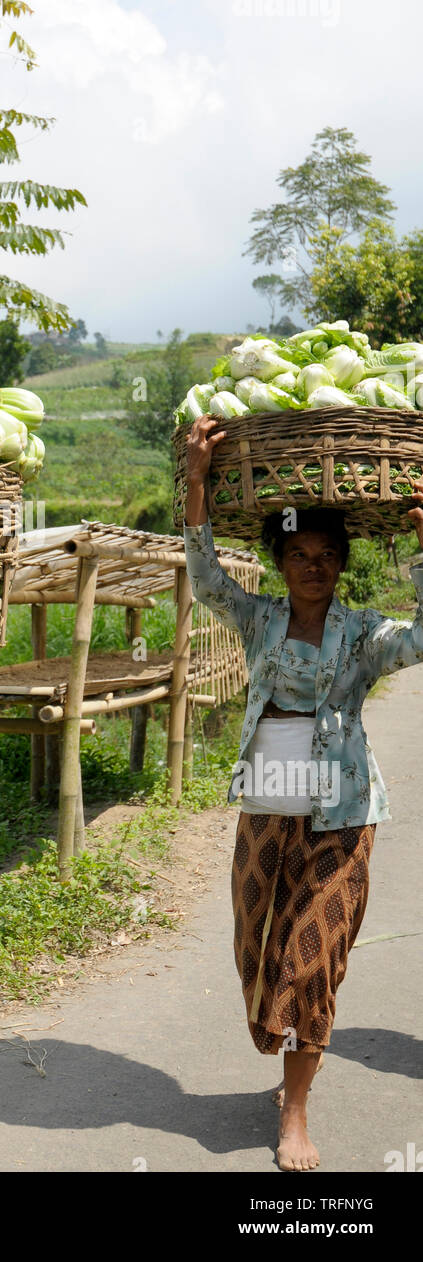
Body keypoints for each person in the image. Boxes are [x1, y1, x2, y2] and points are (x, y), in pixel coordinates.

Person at [184, 415, 423, 1173]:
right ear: (279, 563)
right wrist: (195, 482)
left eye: (324, 556)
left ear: (340, 564)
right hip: (269, 792)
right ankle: (283, 1046)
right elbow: (204, 579)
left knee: (309, 956)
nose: (311, 567)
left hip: (342, 807)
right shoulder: (257, 621)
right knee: (256, 945)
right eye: (296, 555)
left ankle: (295, 1113)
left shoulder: (363, 633)